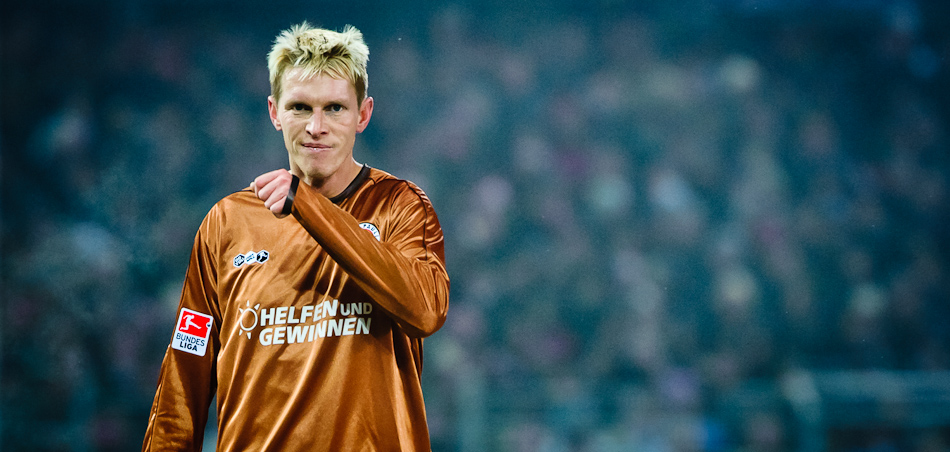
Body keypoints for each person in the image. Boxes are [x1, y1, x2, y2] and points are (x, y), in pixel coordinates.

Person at [142, 22, 450, 451]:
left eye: (335, 108)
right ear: (274, 112)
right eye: (300, 107)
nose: (316, 126)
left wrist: (307, 204)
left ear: (363, 115)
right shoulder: (226, 223)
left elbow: (425, 311)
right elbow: (185, 366)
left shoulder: (400, 205)